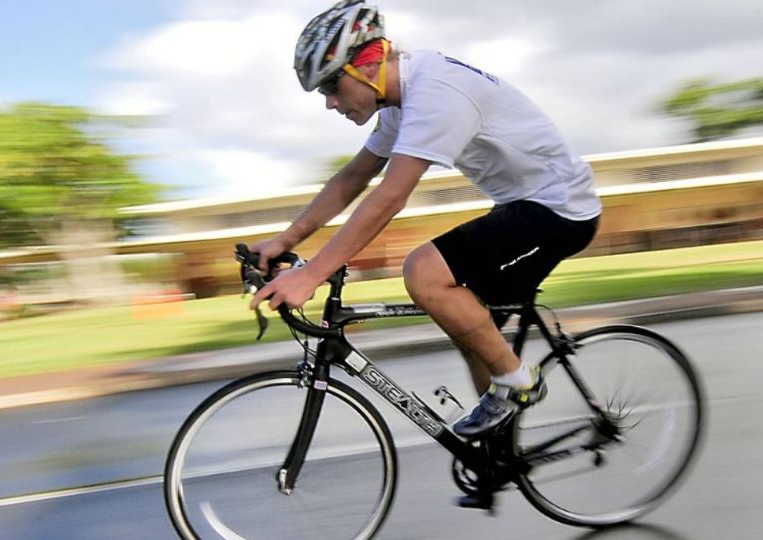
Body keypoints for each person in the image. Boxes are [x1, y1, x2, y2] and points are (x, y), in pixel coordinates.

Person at [250, 0, 601, 441]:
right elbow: (354, 176)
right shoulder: (401, 102)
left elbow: (390, 196)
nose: (330, 103)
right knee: (470, 329)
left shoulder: (437, 93)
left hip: (560, 209)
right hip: (521, 204)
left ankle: (519, 382)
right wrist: (287, 238)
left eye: (332, 86)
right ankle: (496, 456)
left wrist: (313, 275)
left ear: (369, 64)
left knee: (424, 272)